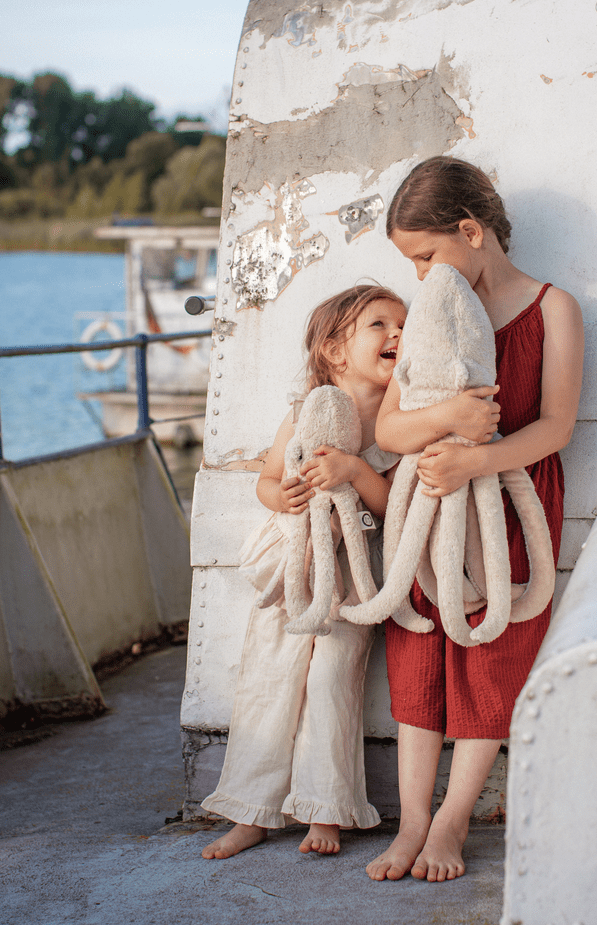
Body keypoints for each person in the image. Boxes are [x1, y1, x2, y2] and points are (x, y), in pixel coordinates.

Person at [366, 156, 584, 882]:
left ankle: (452, 822)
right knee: (420, 653)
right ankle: (411, 821)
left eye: (426, 256)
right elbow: (393, 430)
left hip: (505, 507)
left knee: (491, 657)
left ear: (470, 230)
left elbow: (555, 425)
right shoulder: (427, 310)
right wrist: (444, 423)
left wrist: (476, 460)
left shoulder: (553, 308)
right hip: (428, 514)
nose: (422, 276)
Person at [201, 284, 407, 860]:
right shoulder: (306, 410)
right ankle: (251, 811)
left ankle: (326, 809)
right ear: (337, 351)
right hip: (297, 565)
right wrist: (282, 497)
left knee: (331, 684)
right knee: (272, 680)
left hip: (351, 574)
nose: (398, 333)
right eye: (379, 325)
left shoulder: (398, 421)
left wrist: (352, 469)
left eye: (403, 324)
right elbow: (267, 480)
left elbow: (391, 503)